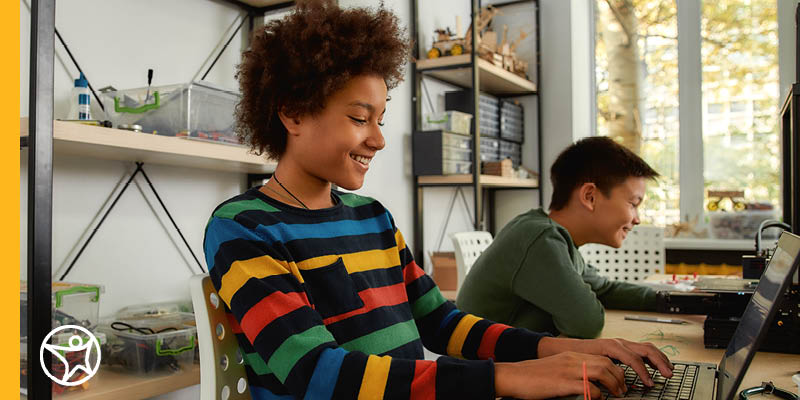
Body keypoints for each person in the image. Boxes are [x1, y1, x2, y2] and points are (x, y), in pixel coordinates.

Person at [203, 2, 672, 398]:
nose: (378, 140)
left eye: (380, 120)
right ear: (292, 114)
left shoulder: (373, 218)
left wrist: (560, 350)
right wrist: (507, 378)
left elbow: (441, 322)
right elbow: (316, 373)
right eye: (360, 118)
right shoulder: (243, 227)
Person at [457, 136, 661, 339]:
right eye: (633, 204)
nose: (637, 219)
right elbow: (587, 323)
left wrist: (669, 300)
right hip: (483, 360)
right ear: (590, 196)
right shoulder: (539, 239)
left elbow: (604, 290)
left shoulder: (559, 241)